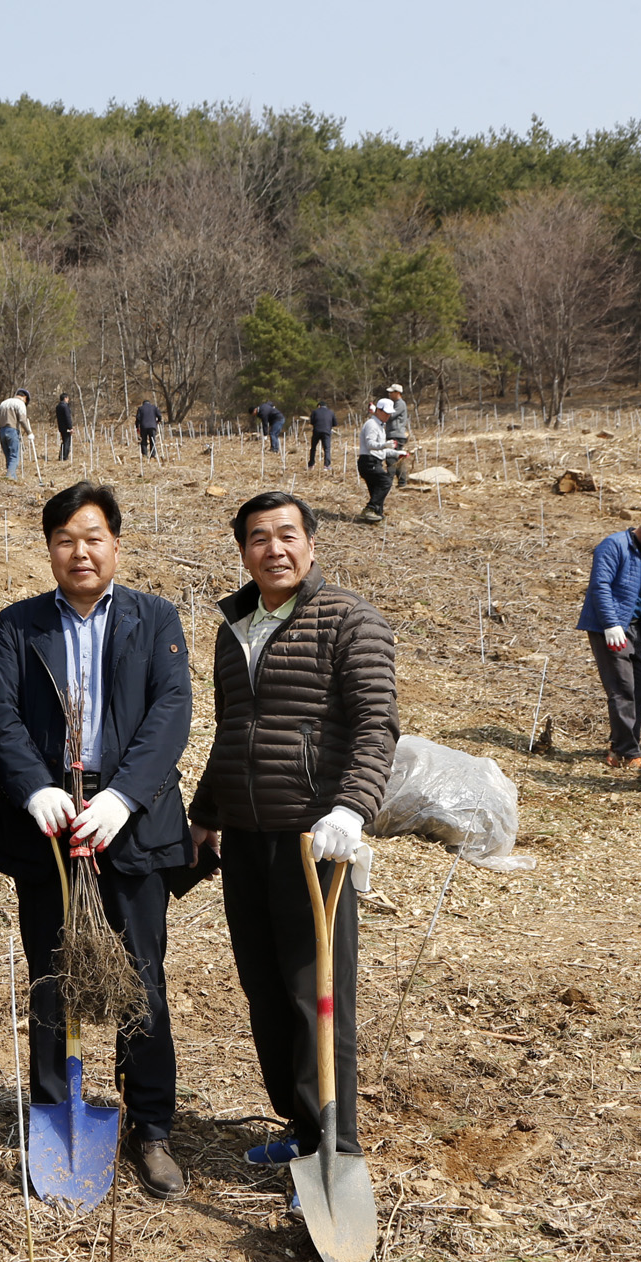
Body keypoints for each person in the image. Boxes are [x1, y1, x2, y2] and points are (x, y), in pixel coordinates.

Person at [186, 491, 398, 1214]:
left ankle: (334, 1144)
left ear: (311, 542)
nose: (272, 548)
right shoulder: (234, 625)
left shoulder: (350, 620)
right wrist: (205, 815)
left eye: (286, 535)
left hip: (316, 840)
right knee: (265, 989)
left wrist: (351, 807)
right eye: (256, 538)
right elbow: (233, 732)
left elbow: (377, 727)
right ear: (242, 549)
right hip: (245, 836)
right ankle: (300, 1122)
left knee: (319, 996)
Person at [0, 481, 194, 1199]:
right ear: (49, 549)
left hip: (129, 820)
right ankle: (54, 1109)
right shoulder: (17, 625)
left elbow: (171, 712)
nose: (81, 550)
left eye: (94, 536)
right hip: (45, 821)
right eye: (66, 538)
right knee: (53, 969)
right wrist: (32, 785)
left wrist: (122, 795)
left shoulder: (153, 617)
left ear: (115, 543)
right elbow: (0, 714)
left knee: (140, 973)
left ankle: (151, 1125)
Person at [577, 509, 641, 771]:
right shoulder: (613, 546)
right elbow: (600, 585)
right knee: (622, 689)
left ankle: (620, 744)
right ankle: (627, 750)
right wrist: (611, 624)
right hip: (610, 628)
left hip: (634, 629)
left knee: (640, 691)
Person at [354, 400, 408, 523]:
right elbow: (370, 444)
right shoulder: (372, 424)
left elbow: (382, 451)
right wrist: (385, 445)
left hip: (375, 461)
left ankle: (377, 516)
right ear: (378, 410)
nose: (388, 416)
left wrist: (397, 453)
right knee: (385, 482)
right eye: (386, 413)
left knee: (376, 491)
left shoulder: (380, 426)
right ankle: (370, 509)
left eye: (390, 413)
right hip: (368, 461)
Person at [0, 390, 35, 480]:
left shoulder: (4, 403)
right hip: (12, 430)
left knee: (8, 455)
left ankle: (13, 476)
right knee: (14, 455)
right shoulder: (20, 404)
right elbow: (22, 420)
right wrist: (29, 432)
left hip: (2, 431)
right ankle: (9, 477)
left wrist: (3, 422)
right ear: (25, 397)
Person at [383, 385, 411, 483]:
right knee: (398, 459)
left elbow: (391, 416)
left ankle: (388, 482)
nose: (389, 394)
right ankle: (402, 481)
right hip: (394, 434)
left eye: (391, 392)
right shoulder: (395, 403)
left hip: (396, 435)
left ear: (397, 393)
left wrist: (379, 412)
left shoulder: (400, 404)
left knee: (391, 458)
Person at [307, 401, 335, 469]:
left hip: (316, 431)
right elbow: (335, 423)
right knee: (327, 449)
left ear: (319, 406)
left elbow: (312, 422)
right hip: (326, 432)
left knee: (313, 448)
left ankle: (311, 464)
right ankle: (327, 465)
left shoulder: (314, 412)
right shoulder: (331, 412)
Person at [55, 393, 75, 461]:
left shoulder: (58, 406)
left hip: (61, 427)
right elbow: (67, 417)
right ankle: (64, 456)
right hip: (66, 427)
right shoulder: (65, 406)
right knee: (67, 441)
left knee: (64, 441)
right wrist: (70, 427)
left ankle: (61, 455)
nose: (68, 400)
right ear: (65, 398)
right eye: (67, 398)